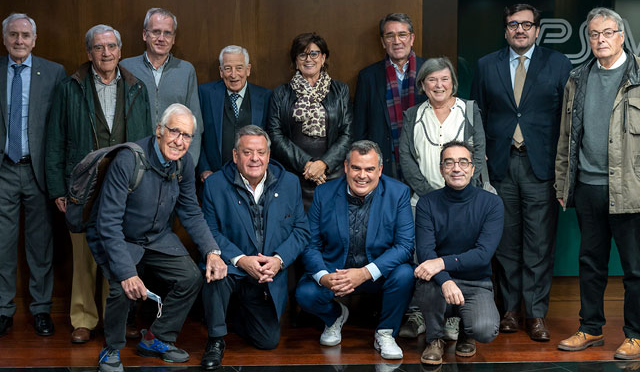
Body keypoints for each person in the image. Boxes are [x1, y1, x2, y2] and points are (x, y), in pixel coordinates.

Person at [555, 7, 640, 360]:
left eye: (608, 32)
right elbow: (567, 138)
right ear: (588, 39)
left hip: (631, 189)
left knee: (634, 269)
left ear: (621, 36)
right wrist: (564, 184)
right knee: (590, 263)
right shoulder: (578, 77)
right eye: (594, 34)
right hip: (588, 187)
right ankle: (590, 328)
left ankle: (636, 334)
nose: (601, 39)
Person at [86, 104, 226, 372]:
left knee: (190, 277)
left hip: (156, 237)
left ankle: (156, 338)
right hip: (121, 237)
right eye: (174, 131)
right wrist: (127, 273)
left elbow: (191, 212)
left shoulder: (184, 163)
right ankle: (111, 348)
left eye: (186, 136)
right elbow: (108, 222)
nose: (179, 141)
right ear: (159, 130)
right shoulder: (128, 159)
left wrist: (212, 250)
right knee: (120, 286)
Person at [45, 24, 153, 343]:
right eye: (98, 47)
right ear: (88, 52)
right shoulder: (70, 88)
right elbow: (54, 142)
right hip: (81, 187)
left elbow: (146, 141)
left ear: (120, 51)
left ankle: (115, 319)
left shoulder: (137, 87)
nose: (105, 53)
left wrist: (142, 185)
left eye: (111, 47)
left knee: (117, 253)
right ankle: (83, 319)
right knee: (83, 257)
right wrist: (57, 189)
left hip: (123, 186)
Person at [471, 3, 572, 341]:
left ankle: (537, 314)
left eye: (527, 25)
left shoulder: (558, 64)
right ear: (505, 30)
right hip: (500, 165)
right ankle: (511, 310)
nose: (520, 30)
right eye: (513, 24)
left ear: (537, 31)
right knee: (506, 243)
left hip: (540, 165)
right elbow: (477, 117)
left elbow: (567, 120)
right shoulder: (487, 65)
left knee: (539, 243)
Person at [0, 12, 65, 339]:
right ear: (4, 38)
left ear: (34, 40)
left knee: (40, 246)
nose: (19, 41)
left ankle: (41, 309)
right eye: (13, 35)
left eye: (25, 35)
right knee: (1, 245)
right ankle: (2, 311)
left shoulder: (53, 73)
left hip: (38, 170)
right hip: (1, 171)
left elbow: (57, 124)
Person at [200, 125, 309, 370]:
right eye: (247, 152)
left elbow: (302, 230)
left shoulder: (289, 182)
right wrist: (240, 259)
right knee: (216, 271)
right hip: (233, 269)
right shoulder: (215, 184)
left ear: (269, 155)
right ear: (235, 155)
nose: (254, 158)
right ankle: (216, 340)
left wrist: (279, 260)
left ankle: (233, 314)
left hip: (267, 276)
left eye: (260, 152)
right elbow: (209, 231)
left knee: (268, 341)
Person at [295, 140, 415, 360]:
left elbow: (405, 246)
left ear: (379, 170)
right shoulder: (324, 193)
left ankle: (385, 332)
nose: (363, 175)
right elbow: (310, 244)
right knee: (305, 293)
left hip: (377, 273)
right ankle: (335, 317)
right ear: (346, 167)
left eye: (370, 169)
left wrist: (365, 273)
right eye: (357, 168)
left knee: (405, 274)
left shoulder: (398, 193)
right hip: (337, 272)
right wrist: (324, 277)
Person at [397, 56, 486, 339]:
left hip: (463, 201)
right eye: (432, 80)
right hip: (422, 202)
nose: (439, 85)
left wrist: (457, 192)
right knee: (421, 257)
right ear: (422, 85)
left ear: (453, 83)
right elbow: (406, 158)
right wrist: (429, 196)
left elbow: (479, 156)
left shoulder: (469, 111)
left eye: (444, 79)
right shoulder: (413, 114)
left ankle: (453, 317)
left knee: (455, 255)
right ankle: (421, 313)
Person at [414, 140, 503, 365]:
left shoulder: (492, 203)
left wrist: (441, 263)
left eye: (463, 162)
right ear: (441, 168)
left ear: (473, 168)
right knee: (425, 278)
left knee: (485, 330)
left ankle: (467, 333)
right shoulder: (427, 203)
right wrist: (444, 279)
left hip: (476, 283)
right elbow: (425, 251)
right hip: (437, 283)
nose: (456, 168)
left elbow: (483, 254)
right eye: (449, 162)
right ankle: (435, 339)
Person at [267, 32, 352, 209]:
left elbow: (347, 133)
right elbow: (275, 135)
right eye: (302, 54)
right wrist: (306, 164)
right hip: (292, 175)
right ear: (296, 60)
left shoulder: (340, 90)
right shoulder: (281, 93)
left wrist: (323, 164)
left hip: (331, 176)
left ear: (323, 57)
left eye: (314, 53)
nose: (308, 59)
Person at [121, 7, 203, 166]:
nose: (161, 38)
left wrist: (187, 166)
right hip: (135, 160)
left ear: (174, 39)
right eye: (156, 31)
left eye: (167, 33)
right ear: (145, 35)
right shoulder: (126, 68)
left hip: (174, 161)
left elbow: (195, 125)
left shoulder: (186, 71)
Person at [353, 13, 427, 179]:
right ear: (382, 42)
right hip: (384, 164)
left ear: (412, 38)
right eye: (389, 35)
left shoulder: (430, 70)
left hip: (424, 161)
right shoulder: (368, 76)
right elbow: (359, 128)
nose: (396, 41)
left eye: (402, 35)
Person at [197, 45, 271, 183]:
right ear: (221, 71)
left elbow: (271, 139)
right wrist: (204, 169)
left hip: (254, 181)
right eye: (227, 68)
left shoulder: (265, 96)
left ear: (248, 69)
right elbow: (196, 136)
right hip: (214, 178)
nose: (233, 74)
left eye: (239, 67)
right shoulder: (204, 94)